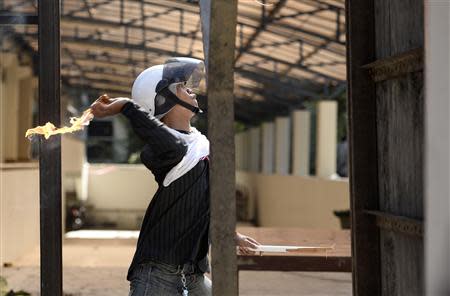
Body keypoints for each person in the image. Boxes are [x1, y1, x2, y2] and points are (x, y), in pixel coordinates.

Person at [90, 57, 259, 296]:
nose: (190, 89)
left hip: (193, 274)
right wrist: (125, 106)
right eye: (180, 86)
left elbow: (202, 206)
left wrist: (230, 235)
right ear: (162, 100)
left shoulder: (200, 144)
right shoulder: (165, 151)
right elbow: (163, 139)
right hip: (157, 274)